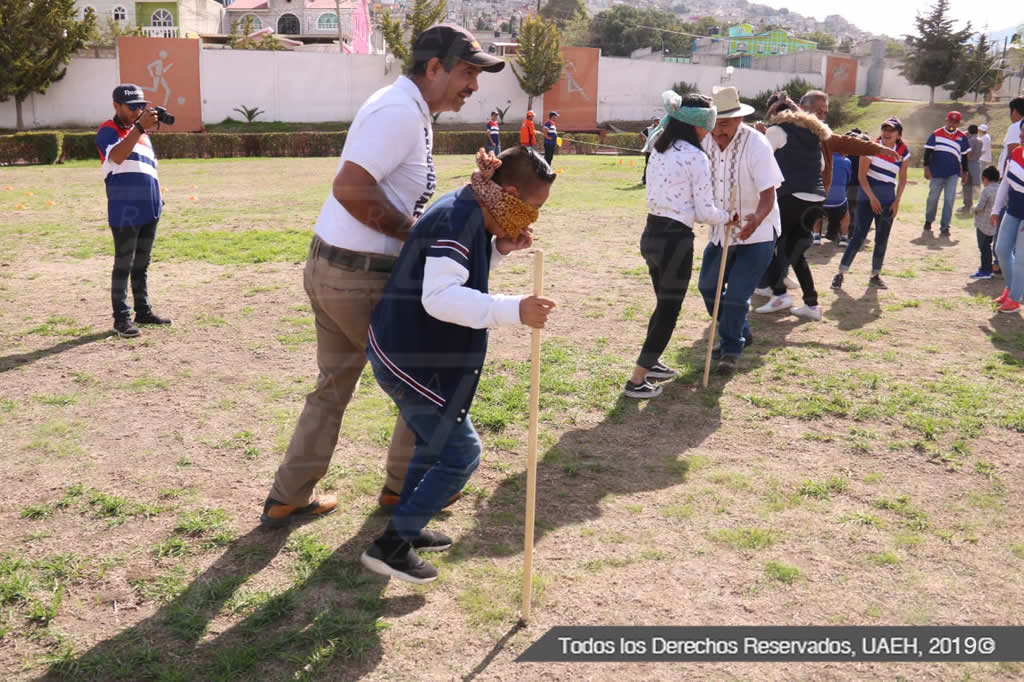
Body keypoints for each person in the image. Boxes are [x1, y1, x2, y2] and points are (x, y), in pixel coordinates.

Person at [260, 23, 506, 528]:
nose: (474, 85)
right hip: (359, 278)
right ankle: (404, 489)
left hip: (336, 269)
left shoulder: (406, 108)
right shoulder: (398, 112)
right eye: (466, 72)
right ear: (433, 68)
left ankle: (289, 495)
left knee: (333, 386)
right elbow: (351, 188)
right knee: (423, 375)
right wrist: (416, 236)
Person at [360, 147, 557, 583]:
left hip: (408, 352)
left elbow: (460, 272)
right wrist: (514, 309)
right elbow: (440, 297)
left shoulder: (470, 206)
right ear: (508, 193)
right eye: (534, 207)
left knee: (432, 447)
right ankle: (391, 546)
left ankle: (406, 526)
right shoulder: (457, 218)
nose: (534, 218)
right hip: (410, 360)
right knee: (461, 454)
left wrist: (498, 251)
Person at [625, 91, 731, 398]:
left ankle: (652, 362)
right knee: (669, 310)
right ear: (698, 124)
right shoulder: (696, 157)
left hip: (652, 235)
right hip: (675, 241)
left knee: (663, 305)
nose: (711, 130)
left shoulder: (659, 148)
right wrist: (729, 217)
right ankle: (636, 380)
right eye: (709, 122)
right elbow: (704, 212)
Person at [756, 90, 893, 321]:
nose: (822, 116)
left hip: (793, 196)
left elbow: (758, 157)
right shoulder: (813, 135)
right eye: (819, 111)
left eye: (825, 112)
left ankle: (777, 291)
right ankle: (810, 304)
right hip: (815, 197)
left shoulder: (792, 132)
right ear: (802, 109)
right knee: (795, 251)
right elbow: (821, 163)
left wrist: (876, 148)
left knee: (772, 242)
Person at [697, 86, 782, 375]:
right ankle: (739, 328)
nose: (718, 131)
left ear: (738, 120)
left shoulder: (756, 144)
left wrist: (756, 219)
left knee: (736, 295)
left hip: (756, 233)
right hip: (721, 230)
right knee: (708, 287)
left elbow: (768, 194)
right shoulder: (706, 143)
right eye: (714, 123)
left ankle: (731, 347)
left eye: (724, 124)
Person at [96, 83, 171, 338]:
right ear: (116, 106)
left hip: (149, 206)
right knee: (123, 264)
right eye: (132, 107)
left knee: (142, 264)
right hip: (124, 208)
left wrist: (158, 199)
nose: (138, 110)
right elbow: (116, 157)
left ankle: (143, 311)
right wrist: (139, 128)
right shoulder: (108, 130)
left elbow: (150, 169)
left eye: (141, 105)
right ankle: (121, 319)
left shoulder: (142, 134)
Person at [831, 117, 910, 291]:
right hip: (867, 197)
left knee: (882, 238)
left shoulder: (903, 152)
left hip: (888, 199)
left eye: (891, 130)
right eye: (885, 129)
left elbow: (903, 179)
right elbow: (861, 176)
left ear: (898, 134)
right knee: (859, 235)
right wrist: (872, 198)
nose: (887, 133)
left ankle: (875, 275)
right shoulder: (872, 148)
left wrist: (897, 202)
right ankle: (840, 274)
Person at [992, 126, 1024, 314]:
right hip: (1012, 211)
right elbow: (1005, 183)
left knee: (1021, 256)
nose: (1021, 136)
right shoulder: (1015, 154)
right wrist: (996, 209)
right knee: (1001, 250)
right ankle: (1011, 288)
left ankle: (1015, 298)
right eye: (1021, 132)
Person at [923, 110, 969, 236]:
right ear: (946, 120)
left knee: (949, 200)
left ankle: (945, 226)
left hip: (952, 173)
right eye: (950, 120)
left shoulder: (962, 137)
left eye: (955, 121)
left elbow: (964, 156)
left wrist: (965, 172)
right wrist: (926, 167)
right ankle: (928, 220)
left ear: (959, 123)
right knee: (933, 198)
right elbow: (928, 152)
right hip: (936, 172)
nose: (952, 123)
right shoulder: (936, 134)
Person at [970, 166, 1000, 280]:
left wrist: (973, 208)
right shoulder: (1001, 189)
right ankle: (993, 267)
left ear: (985, 178)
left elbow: (980, 207)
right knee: (993, 247)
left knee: (984, 248)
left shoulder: (987, 190)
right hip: (997, 225)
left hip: (983, 225)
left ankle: (985, 270)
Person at [818, 149, 852, 246]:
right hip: (839, 199)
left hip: (822, 197)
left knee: (816, 209)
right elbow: (848, 179)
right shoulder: (846, 161)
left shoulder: (821, 159)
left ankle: (816, 235)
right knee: (846, 213)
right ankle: (844, 237)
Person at [997, 98, 1023, 174]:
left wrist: (1004, 176)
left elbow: (1011, 154)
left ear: (1014, 111)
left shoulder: (1016, 127)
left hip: (1011, 174)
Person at [961, 124, 983, 212]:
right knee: (973, 186)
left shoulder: (970, 140)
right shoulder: (980, 140)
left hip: (969, 164)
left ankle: (967, 205)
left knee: (966, 185)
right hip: (976, 164)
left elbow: (968, 154)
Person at [640, 118, 658, 185]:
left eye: (659, 121)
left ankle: (655, 180)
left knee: (658, 166)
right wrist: (643, 143)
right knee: (647, 166)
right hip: (649, 151)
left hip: (658, 151)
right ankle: (644, 180)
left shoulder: (661, 129)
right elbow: (641, 134)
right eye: (656, 121)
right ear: (654, 122)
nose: (657, 123)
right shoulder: (648, 129)